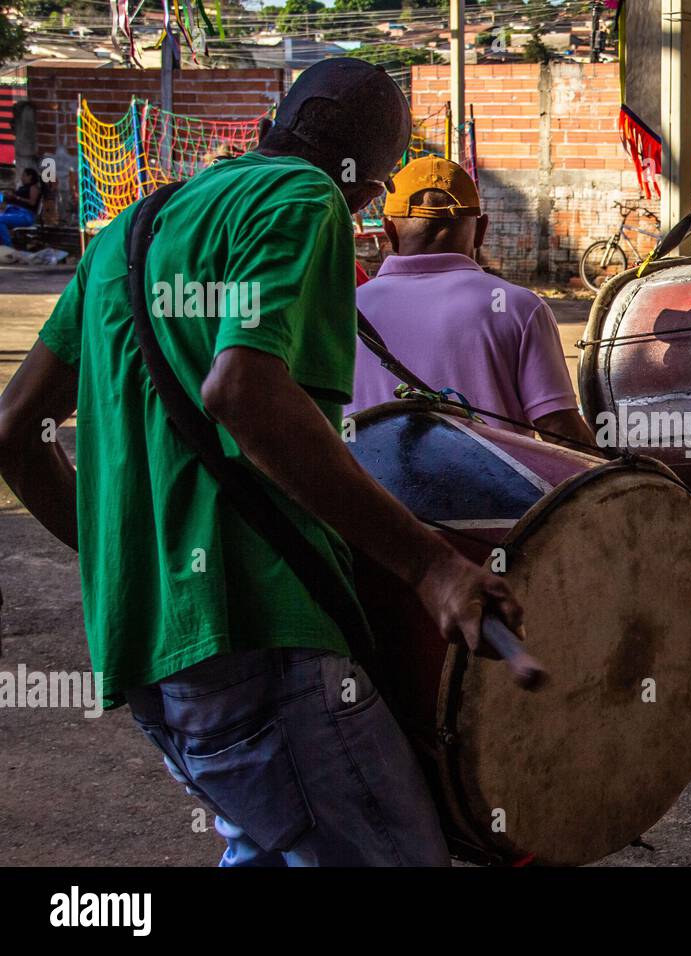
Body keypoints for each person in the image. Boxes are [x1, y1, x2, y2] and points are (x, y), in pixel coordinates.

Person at [0, 58, 523, 867]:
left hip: (146, 642)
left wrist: (128, 558)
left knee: (272, 842)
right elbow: (243, 391)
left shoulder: (133, 232)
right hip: (254, 627)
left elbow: (14, 427)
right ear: (366, 178)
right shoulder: (302, 199)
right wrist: (431, 566)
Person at [347, 156, 595, 449]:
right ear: (481, 230)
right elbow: (559, 430)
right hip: (501, 494)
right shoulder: (520, 308)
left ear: (388, 230)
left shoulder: (346, 308)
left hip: (368, 491)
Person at [0, 167, 42, 247]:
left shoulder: (33, 187)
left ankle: (8, 247)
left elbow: (32, 202)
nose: (22, 177)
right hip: (14, 212)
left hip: (25, 215)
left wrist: (17, 197)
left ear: (30, 176)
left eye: (24, 175)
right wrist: (8, 196)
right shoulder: (21, 188)